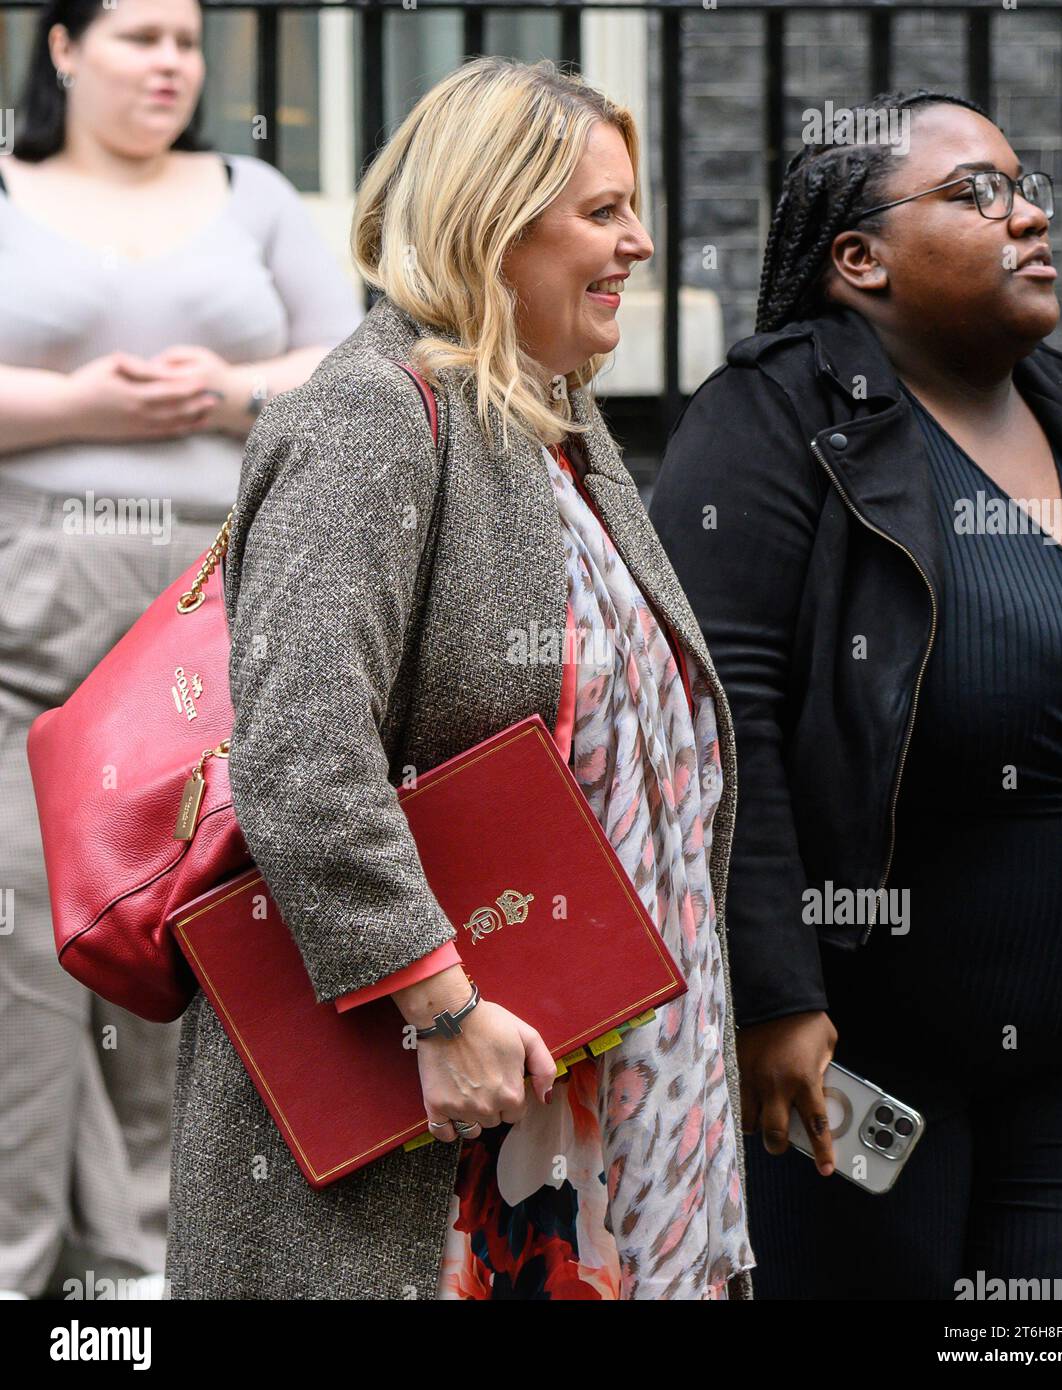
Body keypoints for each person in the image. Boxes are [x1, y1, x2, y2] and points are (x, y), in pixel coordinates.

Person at [164, 55, 756, 1301]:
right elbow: (304, 752)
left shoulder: (561, 426)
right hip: (450, 1133)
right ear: (492, 221)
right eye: (603, 212)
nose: (641, 243)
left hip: (602, 1112)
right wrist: (438, 1008)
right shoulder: (370, 416)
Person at [648, 87, 1062, 1299]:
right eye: (976, 193)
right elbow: (723, 712)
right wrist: (773, 995)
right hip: (862, 1057)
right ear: (858, 260)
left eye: (1029, 189)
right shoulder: (777, 409)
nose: (1025, 216)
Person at [0, 0, 361, 1299]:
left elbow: (354, 361)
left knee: (194, 925)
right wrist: (83, 404)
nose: (171, 64)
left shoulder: (250, 190)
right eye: (140, 35)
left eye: (187, 41)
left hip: (219, 610)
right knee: (35, 944)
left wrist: (227, 391)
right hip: (26, 617)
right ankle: (25, 1266)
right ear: (60, 46)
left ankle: (154, 1266)